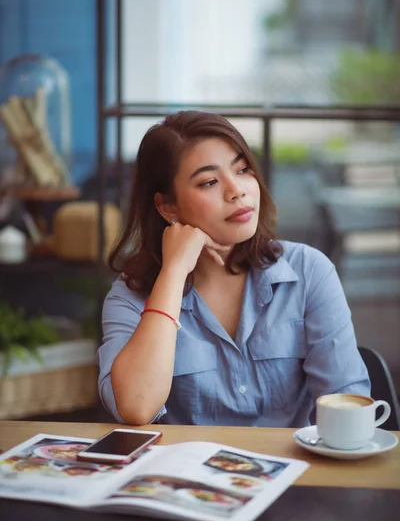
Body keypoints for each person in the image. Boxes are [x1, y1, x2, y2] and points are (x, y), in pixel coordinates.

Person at [98, 110, 370, 426]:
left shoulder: (309, 271)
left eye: (242, 170)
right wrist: (173, 273)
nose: (236, 190)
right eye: (209, 181)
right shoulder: (129, 295)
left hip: (298, 472)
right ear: (167, 206)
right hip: (186, 474)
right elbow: (135, 406)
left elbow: (350, 411)